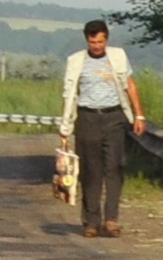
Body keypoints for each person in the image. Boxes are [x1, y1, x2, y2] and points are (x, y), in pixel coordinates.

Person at [56, 20, 145, 237]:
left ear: (107, 39)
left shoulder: (117, 57)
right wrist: (65, 126)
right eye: (93, 41)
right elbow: (69, 94)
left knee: (115, 167)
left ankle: (111, 219)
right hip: (87, 118)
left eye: (101, 41)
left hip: (114, 116)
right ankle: (91, 221)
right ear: (87, 40)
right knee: (90, 172)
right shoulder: (76, 61)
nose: (97, 46)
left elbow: (129, 85)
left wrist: (138, 114)